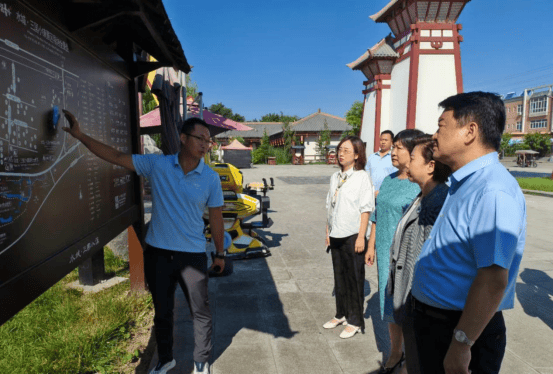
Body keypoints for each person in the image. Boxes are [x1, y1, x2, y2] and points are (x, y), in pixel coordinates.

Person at [62, 110, 225, 374]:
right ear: (183, 138)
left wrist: (220, 253)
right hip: (159, 254)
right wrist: (80, 136)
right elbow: (116, 157)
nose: (206, 144)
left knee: (200, 311)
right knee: (162, 311)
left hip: (193, 254)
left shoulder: (210, 178)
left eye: (209, 141)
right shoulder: (157, 165)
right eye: (201, 138)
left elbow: (217, 217)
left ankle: (201, 361)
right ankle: (166, 359)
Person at [410, 92, 527, 374]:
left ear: (470, 131)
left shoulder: (492, 190)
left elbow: (492, 279)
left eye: (441, 126)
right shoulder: (463, 182)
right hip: (436, 323)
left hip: (458, 329)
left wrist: (462, 344)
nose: (434, 135)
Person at [385, 135, 451, 374]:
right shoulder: (422, 196)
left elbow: (428, 259)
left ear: (431, 166)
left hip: (421, 303)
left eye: (412, 158)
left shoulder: (437, 203)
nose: (408, 164)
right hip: (412, 301)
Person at [365, 129, 423, 374]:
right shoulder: (388, 179)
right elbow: (377, 215)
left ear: (415, 152)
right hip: (383, 252)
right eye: (394, 147)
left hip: (407, 257)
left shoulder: (419, 186)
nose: (393, 152)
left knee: (407, 306)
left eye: (399, 147)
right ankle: (395, 352)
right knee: (388, 305)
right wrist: (371, 245)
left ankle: (411, 357)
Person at [324, 136, 374, 339]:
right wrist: (327, 230)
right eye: (339, 149)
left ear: (356, 155)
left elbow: (366, 209)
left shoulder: (362, 177)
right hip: (336, 232)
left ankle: (354, 320)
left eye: (346, 150)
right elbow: (329, 205)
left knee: (354, 278)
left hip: (353, 234)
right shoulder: (335, 177)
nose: (340, 153)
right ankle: (341, 313)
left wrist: (362, 237)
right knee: (339, 276)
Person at [365, 130, 398, 197]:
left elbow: (397, 178)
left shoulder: (395, 158)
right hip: (370, 195)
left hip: (387, 195)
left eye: (386, 140)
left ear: (392, 142)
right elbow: (366, 175)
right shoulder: (372, 157)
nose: (383, 142)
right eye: (381, 140)